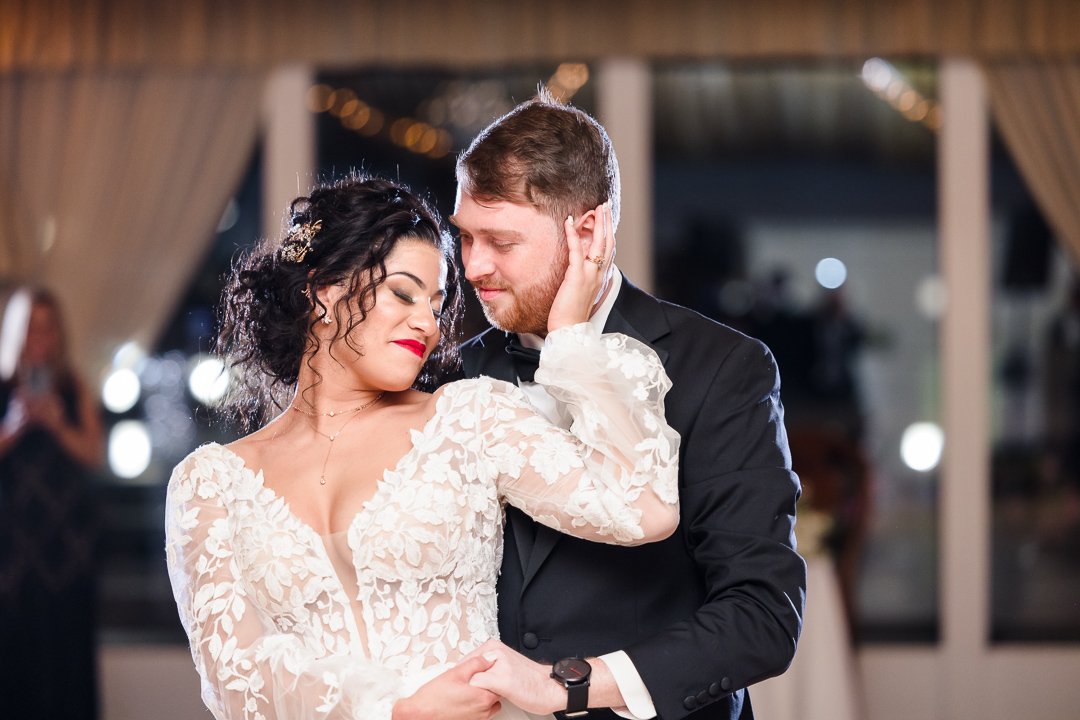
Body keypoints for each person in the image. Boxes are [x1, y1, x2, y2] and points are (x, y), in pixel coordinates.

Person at [164, 175, 682, 720]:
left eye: (436, 305)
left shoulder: (467, 421)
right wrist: (396, 710)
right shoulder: (209, 483)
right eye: (403, 293)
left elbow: (641, 509)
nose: (427, 325)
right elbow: (235, 678)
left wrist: (571, 335)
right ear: (323, 292)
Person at [448, 90, 806, 719]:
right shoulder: (447, 374)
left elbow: (761, 617)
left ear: (587, 231)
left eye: (500, 242)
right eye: (465, 238)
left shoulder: (723, 370)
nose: (473, 266)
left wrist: (573, 686)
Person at [0, 286, 104, 720]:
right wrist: (15, 424)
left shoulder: (72, 384)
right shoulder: (3, 387)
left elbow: (96, 455)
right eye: (31, 327)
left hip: (67, 552)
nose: (41, 336)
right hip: (12, 552)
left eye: (48, 326)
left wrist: (59, 426)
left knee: (66, 662)